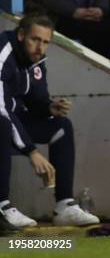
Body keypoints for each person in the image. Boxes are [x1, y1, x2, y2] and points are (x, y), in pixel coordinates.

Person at [0, 14, 100, 228]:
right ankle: (2, 207)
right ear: (20, 35)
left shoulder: (37, 59)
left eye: (45, 42)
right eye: (35, 40)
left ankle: (64, 206)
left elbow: (35, 99)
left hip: (10, 118)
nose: (40, 47)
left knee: (61, 126)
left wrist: (48, 107)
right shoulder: (3, 53)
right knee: (2, 124)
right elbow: (2, 110)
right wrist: (31, 151)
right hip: (1, 119)